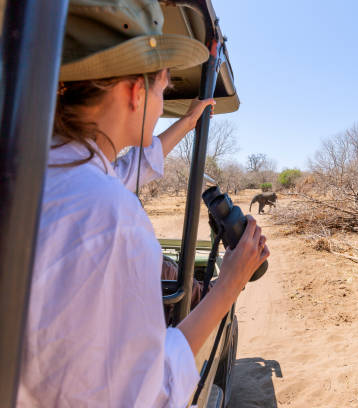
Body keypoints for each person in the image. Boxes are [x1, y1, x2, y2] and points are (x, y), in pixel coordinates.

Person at [17, 0, 270, 406]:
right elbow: (152, 391)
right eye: (162, 84)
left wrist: (186, 123)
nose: (163, 94)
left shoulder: (33, 173)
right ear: (136, 91)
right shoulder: (111, 215)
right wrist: (228, 286)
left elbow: (129, 166)